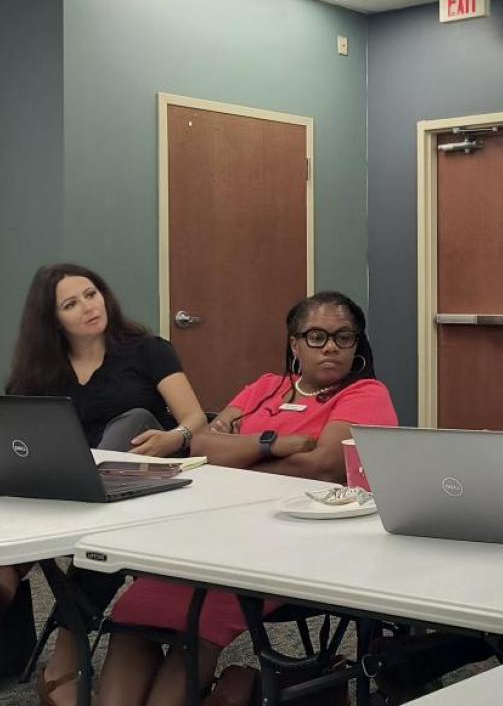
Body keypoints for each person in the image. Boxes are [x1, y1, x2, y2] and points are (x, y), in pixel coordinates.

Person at [96, 291, 398, 706]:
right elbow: (202, 446)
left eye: (344, 337)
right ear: (294, 342)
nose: (330, 346)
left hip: (289, 547)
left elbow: (324, 466)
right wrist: (275, 443)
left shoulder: (365, 393)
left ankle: (232, 687)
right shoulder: (266, 387)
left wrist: (240, 453)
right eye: (316, 336)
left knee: (195, 624)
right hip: (212, 533)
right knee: (132, 620)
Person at [2, 263, 206, 706]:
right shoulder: (39, 372)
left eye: (91, 294)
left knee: (128, 428)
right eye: (71, 304)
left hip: (140, 481)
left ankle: (62, 661)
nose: (88, 308)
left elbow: (195, 418)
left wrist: (176, 436)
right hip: (70, 486)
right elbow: (20, 437)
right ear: (53, 319)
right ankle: (14, 571)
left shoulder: (149, 349)